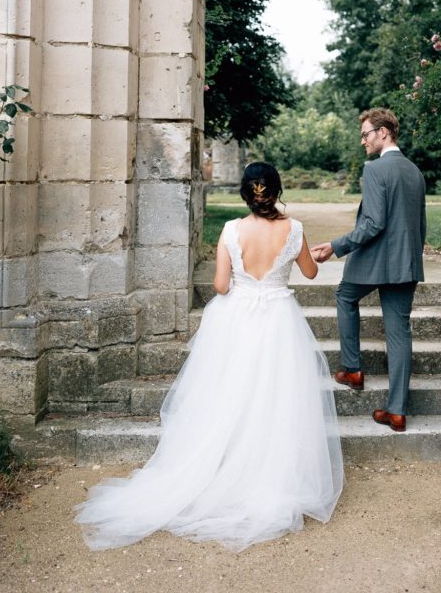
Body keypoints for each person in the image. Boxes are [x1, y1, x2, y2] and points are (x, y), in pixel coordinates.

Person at [75, 162, 343, 552]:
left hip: (237, 319)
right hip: (279, 319)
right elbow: (311, 273)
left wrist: (241, 279)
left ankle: (222, 466)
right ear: (276, 191)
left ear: (246, 193)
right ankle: (268, 472)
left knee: (230, 391)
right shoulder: (294, 229)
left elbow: (220, 285)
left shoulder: (231, 230)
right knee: (276, 394)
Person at [312, 108, 426, 433]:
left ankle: (352, 368)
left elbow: (374, 223)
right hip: (406, 263)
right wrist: (412, 259)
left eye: (366, 134)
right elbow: (420, 225)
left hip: (374, 261)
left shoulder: (375, 170)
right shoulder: (415, 171)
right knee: (399, 333)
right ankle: (397, 412)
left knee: (345, 296)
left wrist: (336, 246)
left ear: (383, 132)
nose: (363, 141)